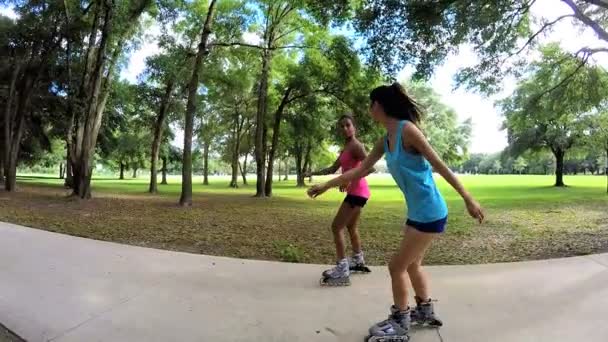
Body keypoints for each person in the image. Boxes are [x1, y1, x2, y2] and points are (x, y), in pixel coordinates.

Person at [308, 83, 484, 341]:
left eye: (371, 104)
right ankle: (424, 311)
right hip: (418, 213)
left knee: (396, 267)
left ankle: (400, 323)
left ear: (380, 105)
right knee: (412, 265)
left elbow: (439, 164)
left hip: (431, 212)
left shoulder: (408, 131)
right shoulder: (385, 140)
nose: (369, 109)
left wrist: (468, 198)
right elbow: (358, 171)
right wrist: (325, 185)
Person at [305, 114, 374, 286]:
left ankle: (342, 269)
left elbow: (370, 167)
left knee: (336, 227)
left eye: (348, 125)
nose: (345, 128)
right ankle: (358, 260)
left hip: (357, 192)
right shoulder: (346, 147)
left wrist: (350, 179)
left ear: (354, 126)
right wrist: (312, 173)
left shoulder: (356, 146)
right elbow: (333, 168)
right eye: (342, 126)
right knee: (351, 227)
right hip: (359, 192)